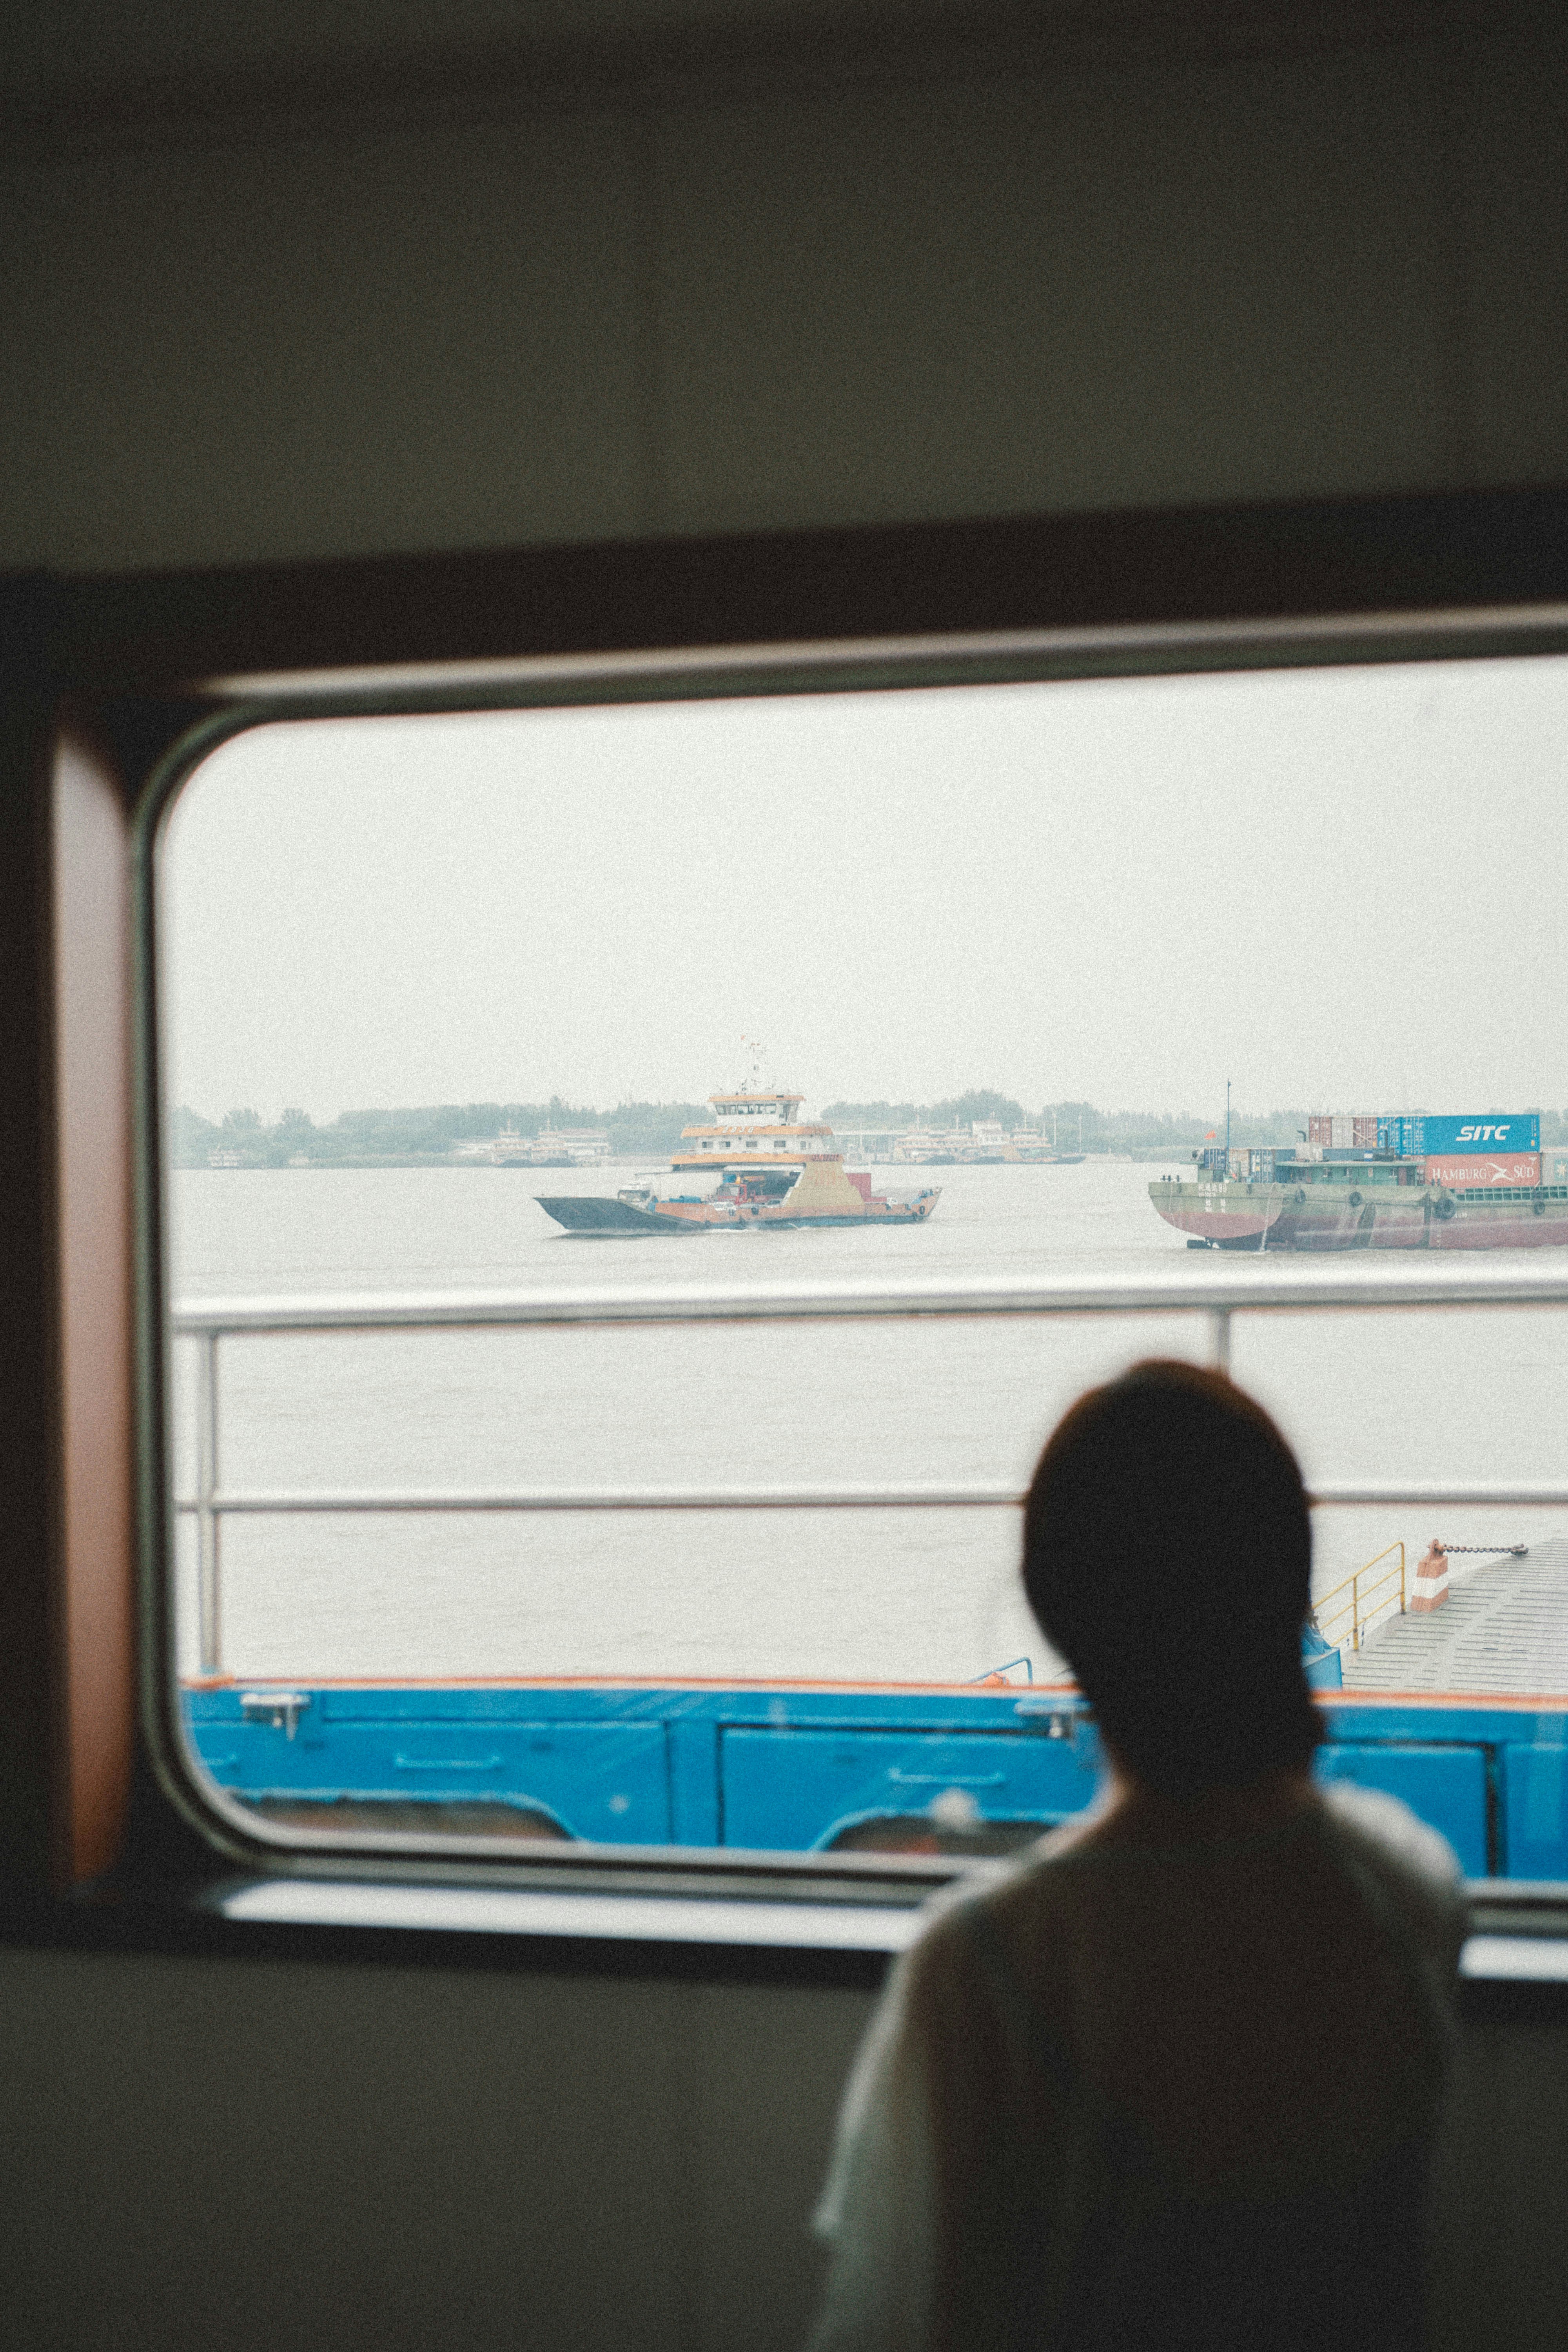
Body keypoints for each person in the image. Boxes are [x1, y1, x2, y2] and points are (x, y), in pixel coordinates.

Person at [809, 1361, 1465, 2352]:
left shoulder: (986, 1964)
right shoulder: (1411, 1891)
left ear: (1055, 1611)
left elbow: (892, 2320)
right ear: (1286, 1585)